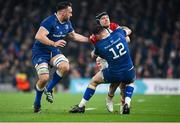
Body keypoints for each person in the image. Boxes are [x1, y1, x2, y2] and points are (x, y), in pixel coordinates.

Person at [32, 1, 88, 113]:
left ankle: (48, 89)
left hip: (53, 51)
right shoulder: (49, 21)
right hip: (40, 52)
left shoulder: (67, 22)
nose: (71, 14)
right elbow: (38, 36)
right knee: (44, 78)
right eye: (70, 12)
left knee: (65, 66)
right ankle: (37, 103)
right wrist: (53, 43)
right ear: (63, 12)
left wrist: (90, 39)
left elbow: (73, 36)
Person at [69, 24, 135, 114]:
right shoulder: (119, 33)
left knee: (94, 82)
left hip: (114, 73)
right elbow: (129, 31)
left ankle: (81, 106)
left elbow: (93, 55)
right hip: (129, 70)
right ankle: (127, 103)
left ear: (98, 35)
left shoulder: (99, 46)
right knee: (130, 82)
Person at [90, 11, 132, 113]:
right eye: (103, 18)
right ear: (98, 22)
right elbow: (97, 51)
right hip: (104, 58)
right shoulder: (95, 35)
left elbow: (128, 34)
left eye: (107, 17)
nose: (106, 19)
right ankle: (110, 97)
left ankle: (122, 104)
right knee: (117, 78)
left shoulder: (113, 26)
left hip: (116, 56)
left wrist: (124, 33)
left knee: (123, 82)